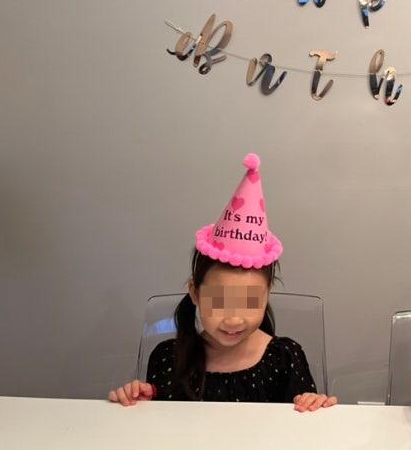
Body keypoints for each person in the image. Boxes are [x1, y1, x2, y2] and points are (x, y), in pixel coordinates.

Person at [109, 153, 336, 412]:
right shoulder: (169, 358)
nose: (234, 319)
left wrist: (314, 405)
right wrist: (140, 403)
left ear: (267, 296)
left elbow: (305, 426)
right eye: (220, 301)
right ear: (195, 292)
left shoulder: (285, 358)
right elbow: (162, 426)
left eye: (249, 302)